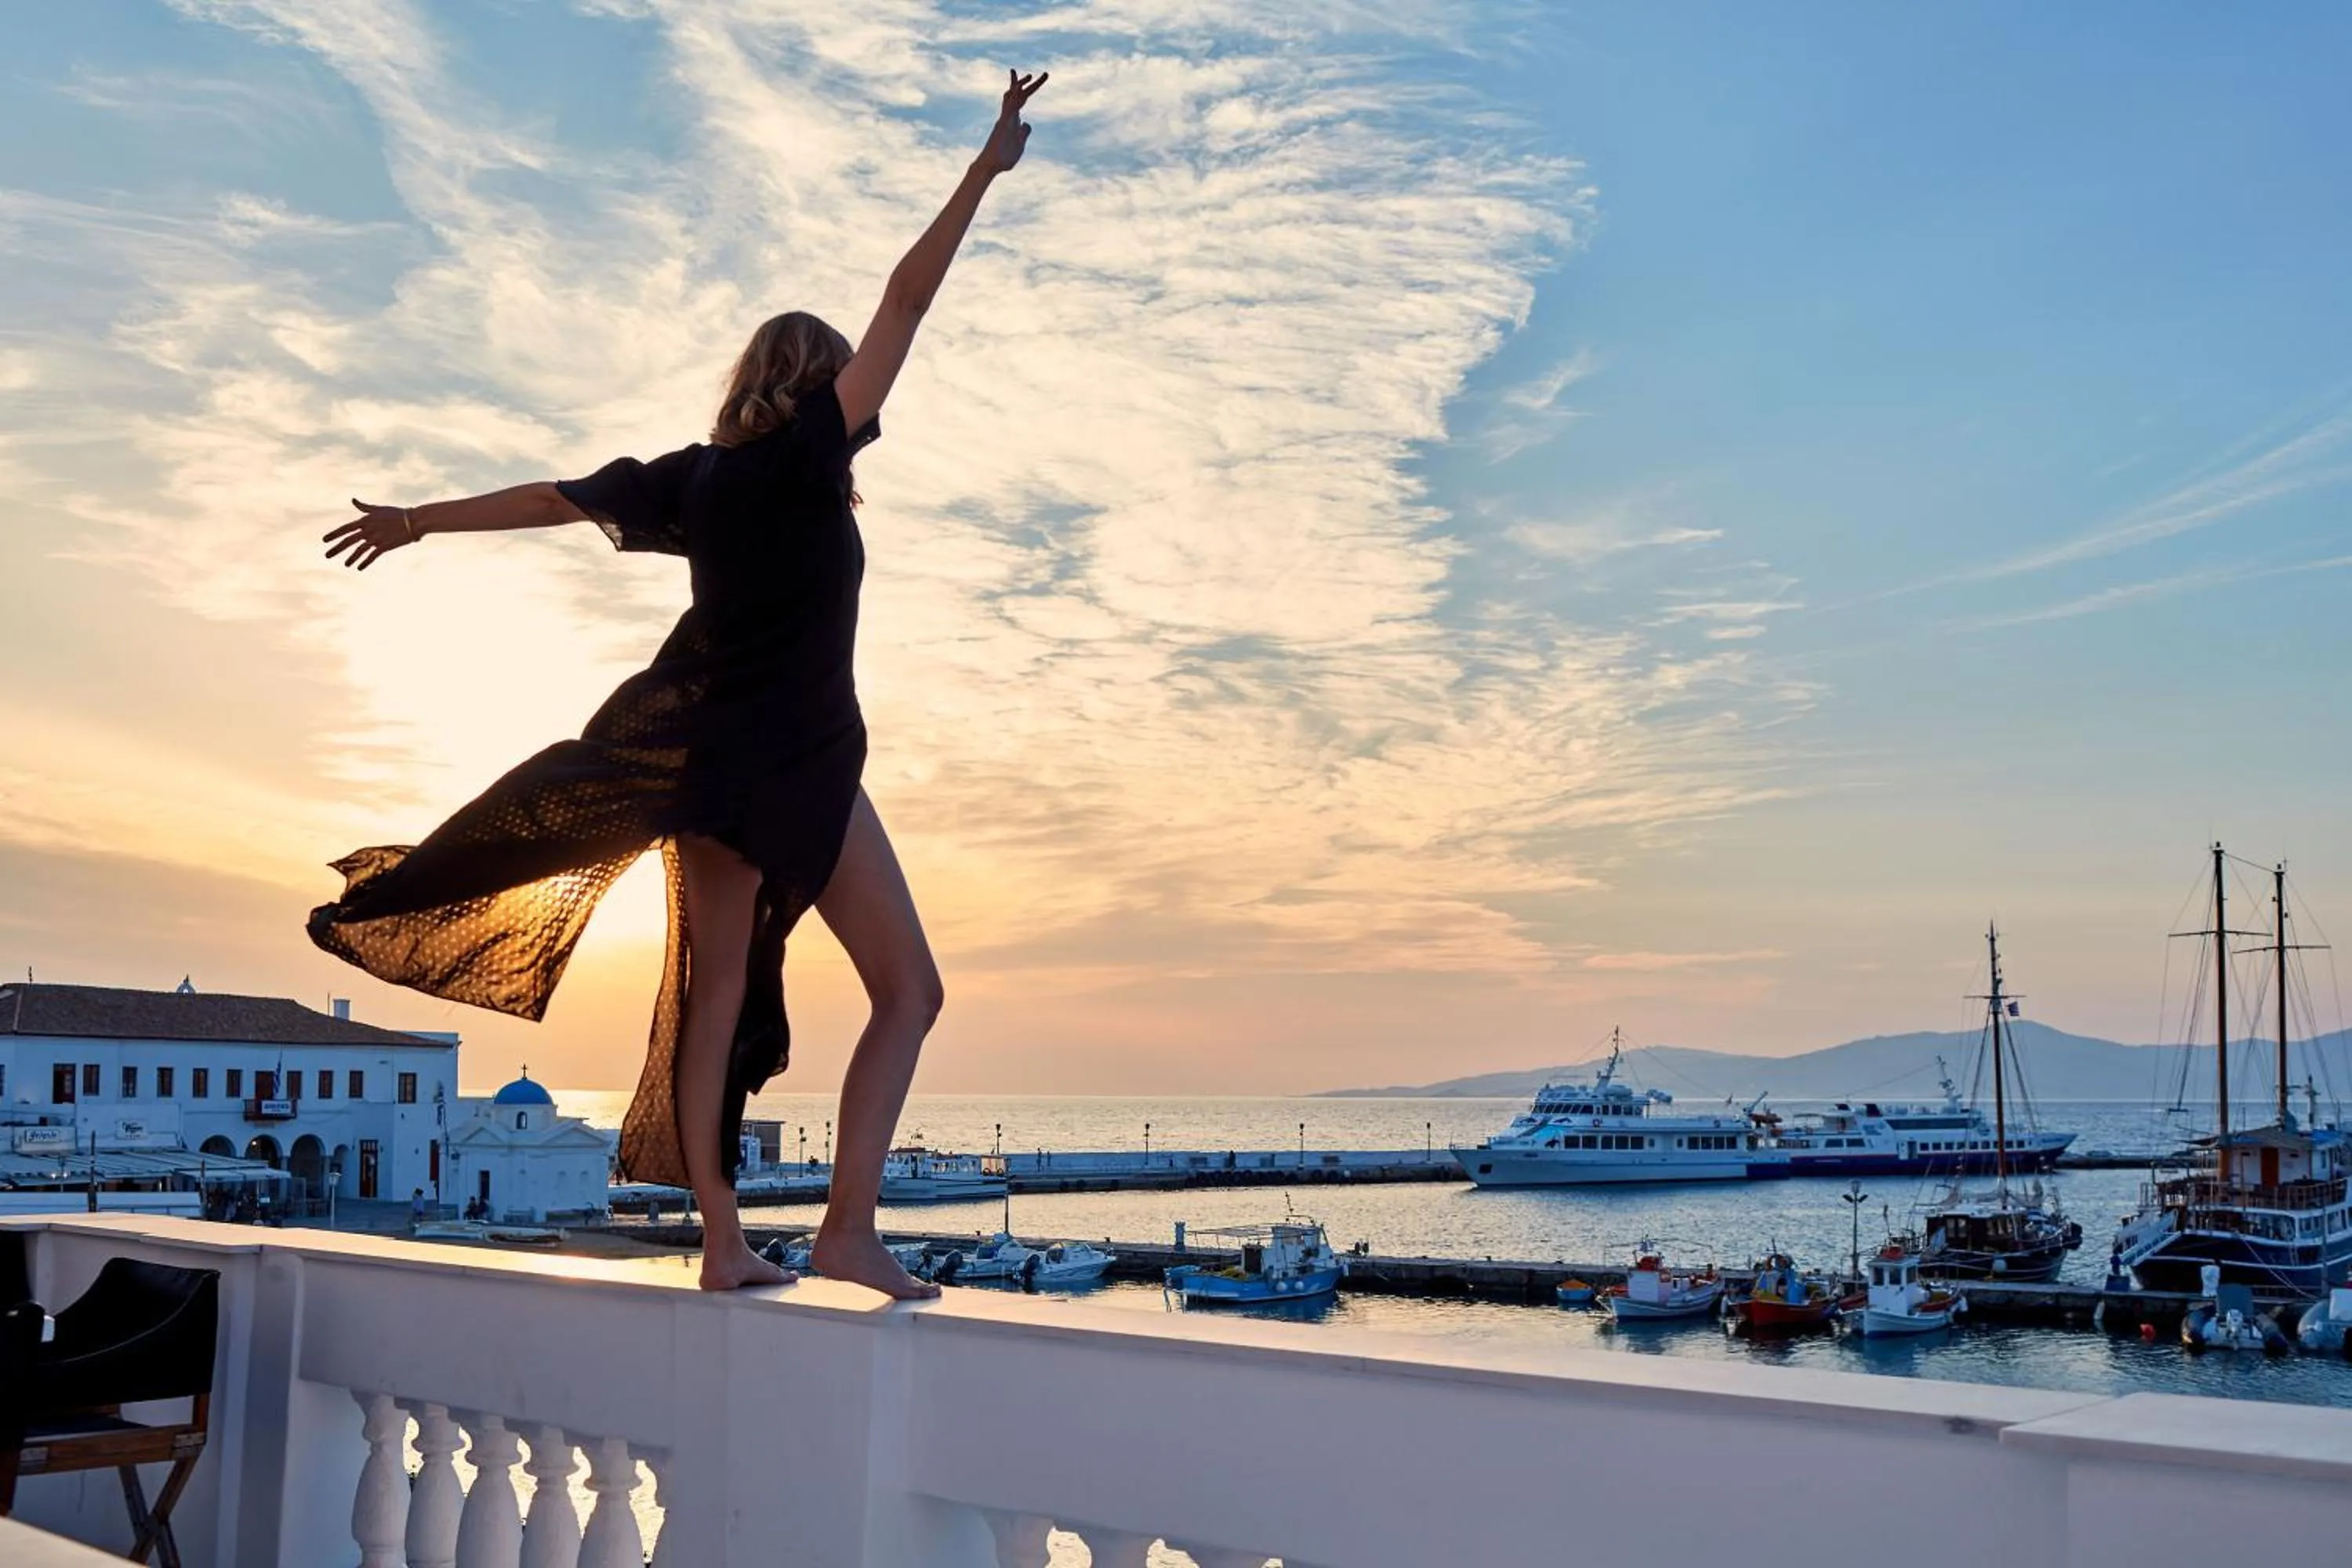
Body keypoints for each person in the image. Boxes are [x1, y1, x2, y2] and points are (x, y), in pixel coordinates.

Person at [310, 71, 1047, 1296]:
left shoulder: (696, 478)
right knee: (908, 992)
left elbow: (554, 497)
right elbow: (906, 303)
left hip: (711, 769)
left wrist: (418, 520)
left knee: (708, 1007)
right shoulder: (814, 453)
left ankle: (722, 1243)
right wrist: (984, 167)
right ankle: (847, 1229)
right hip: (804, 760)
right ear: (819, 388)